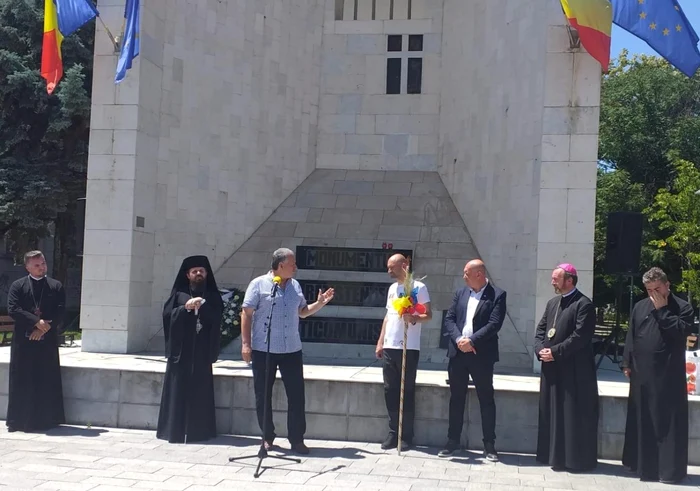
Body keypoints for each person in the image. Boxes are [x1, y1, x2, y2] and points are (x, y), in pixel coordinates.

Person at [241, 248, 334, 455]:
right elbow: (246, 313)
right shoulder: (258, 284)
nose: (296, 267)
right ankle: (267, 437)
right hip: (263, 348)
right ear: (280, 265)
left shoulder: (295, 286)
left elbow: (302, 312)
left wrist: (320, 303)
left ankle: (297, 439)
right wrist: (246, 344)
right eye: (292, 264)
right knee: (262, 395)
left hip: (291, 348)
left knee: (296, 395)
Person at [621, 267, 693, 484]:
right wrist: (627, 362)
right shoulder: (640, 306)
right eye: (649, 289)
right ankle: (641, 465)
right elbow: (632, 336)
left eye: (658, 289)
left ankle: (668, 471)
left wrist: (662, 311)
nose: (654, 294)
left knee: (666, 421)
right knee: (643, 419)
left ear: (667, 285)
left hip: (668, 375)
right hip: (642, 374)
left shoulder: (682, 307)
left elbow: (682, 333)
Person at [439, 259, 505, 461]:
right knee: (456, 398)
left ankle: (489, 445)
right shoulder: (461, 293)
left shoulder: (497, 295)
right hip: (458, 353)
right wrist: (459, 339)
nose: (463, 276)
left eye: (467, 272)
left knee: (486, 399)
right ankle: (452, 441)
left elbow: (494, 324)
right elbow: (449, 319)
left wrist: (472, 341)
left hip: (481, 355)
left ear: (479, 274)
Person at [534, 263, 598, 472]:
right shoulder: (553, 303)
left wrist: (555, 352)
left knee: (569, 414)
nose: (552, 281)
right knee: (551, 412)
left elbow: (580, 337)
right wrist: (540, 350)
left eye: (556, 278)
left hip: (573, 370)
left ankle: (571, 460)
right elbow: (542, 330)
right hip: (552, 368)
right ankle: (550, 455)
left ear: (569, 280)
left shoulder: (584, 304)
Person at [157, 255, 223, 444]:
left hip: (201, 351)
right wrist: (185, 308)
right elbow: (168, 317)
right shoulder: (178, 296)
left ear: (206, 273)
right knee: (177, 389)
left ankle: (200, 431)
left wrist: (203, 307)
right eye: (194, 271)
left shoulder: (212, 296)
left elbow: (216, 318)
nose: (198, 274)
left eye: (201, 271)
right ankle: (173, 431)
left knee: (201, 391)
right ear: (187, 275)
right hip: (181, 351)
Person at [375, 254, 432, 450]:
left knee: (405, 391)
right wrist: (380, 341)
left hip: (408, 346)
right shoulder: (392, 289)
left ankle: (406, 434)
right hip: (390, 345)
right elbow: (388, 316)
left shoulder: (419, 287)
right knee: (390, 390)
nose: (389, 271)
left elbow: (428, 314)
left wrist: (413, 318)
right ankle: (393, 431)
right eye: (388, 267)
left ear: (404, 265)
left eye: (392, 267)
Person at [6, 250, 66, 432]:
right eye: (37, 265)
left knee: (45, 378)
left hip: (46, 342)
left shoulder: (55, 286)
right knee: (22, 379)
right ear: (27, 267)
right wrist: (35, 323)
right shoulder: (18, 285)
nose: (42, 268)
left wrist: (43, 329)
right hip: (23, 342)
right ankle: (19, 420)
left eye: (43, 264)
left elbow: (60, 310)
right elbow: (13, 308)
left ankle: (47, 420)